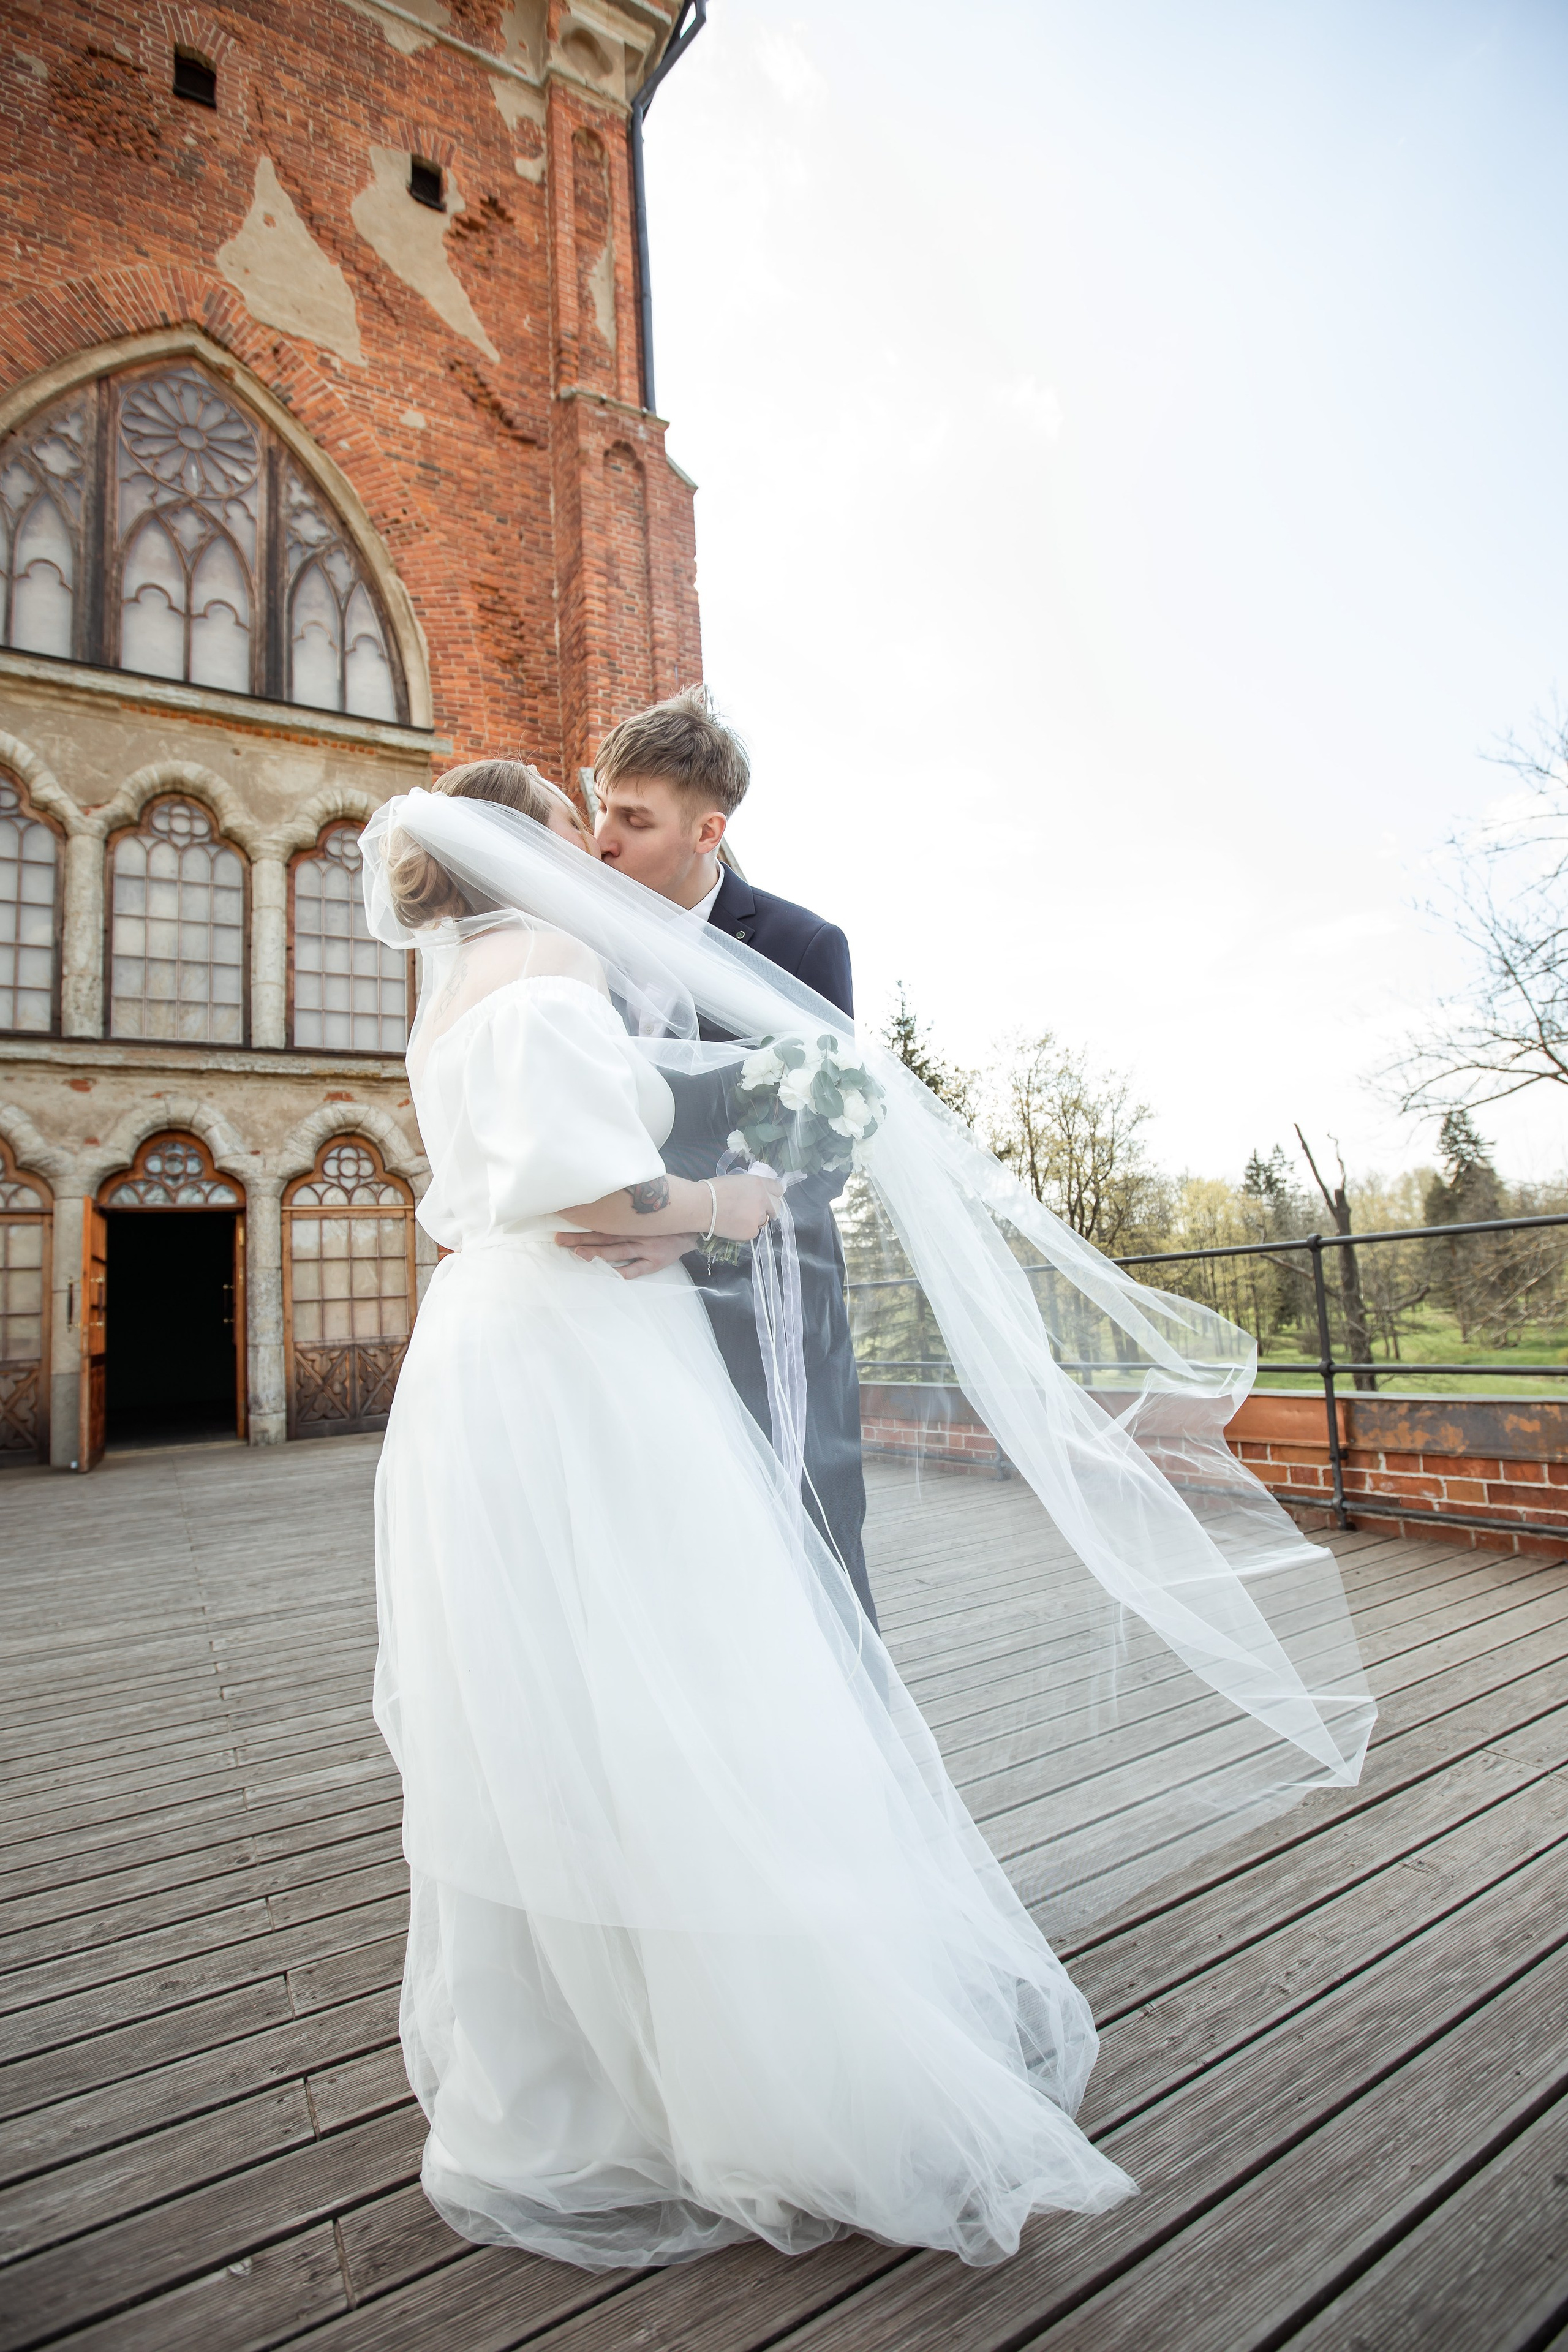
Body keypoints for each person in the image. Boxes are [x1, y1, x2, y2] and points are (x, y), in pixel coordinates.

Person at [366, 758, 1137, 2271]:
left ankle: (586, 2057)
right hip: (580, 1348)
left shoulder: (452, 984)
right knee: (684, 1667)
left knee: (556, 1696)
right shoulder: (549, 960)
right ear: (523, 844)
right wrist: (722, 1205)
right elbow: (592, 1204)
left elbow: (512, 1178)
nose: (593, 847)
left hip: (485, 1356)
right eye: (567, 826)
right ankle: (747, 2060)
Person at [559, 689, 876, 1626]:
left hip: (772, 1298)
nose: (601, 839)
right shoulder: (576, 947)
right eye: (600, 809)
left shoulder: (801, 944)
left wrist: (699, 1224)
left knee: (814, 1533)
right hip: (624, 1296)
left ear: (708, 830)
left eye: (632, 818)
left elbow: (827, 1141)